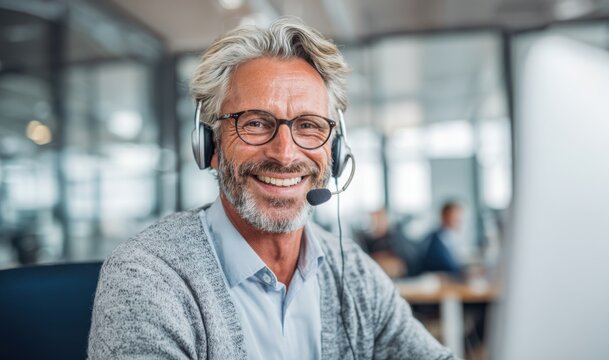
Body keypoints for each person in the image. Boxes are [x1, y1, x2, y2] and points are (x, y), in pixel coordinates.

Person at [88, 18, 455, 359]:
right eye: (257, 123)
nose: (284, 154)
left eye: (309, 125)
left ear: (336, 149)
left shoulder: (353, 272)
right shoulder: (148, 277)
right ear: (210, 145)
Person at [420, 201, 466, 277]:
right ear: (444, 216)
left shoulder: (453, 238)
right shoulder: (434, 240)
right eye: (454, 216)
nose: (458, 220)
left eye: (459, 216)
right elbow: (446, 265)